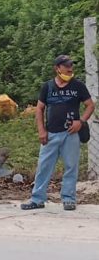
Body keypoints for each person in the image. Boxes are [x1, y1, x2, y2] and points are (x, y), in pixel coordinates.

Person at [21, 55, 95, 211]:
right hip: (51, 134)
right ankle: (37, 198)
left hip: (71, 133)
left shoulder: (78, 86)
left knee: (71, 166)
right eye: (66, 66)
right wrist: (41, 130)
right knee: (44, 166)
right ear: (57, 68)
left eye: (71, 66)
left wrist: (80, 121)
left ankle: (68, 198)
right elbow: (40, 109)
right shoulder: (47, 87)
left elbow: (90, 105)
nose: (70, 69)